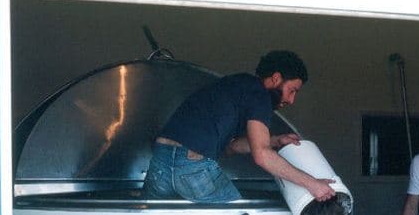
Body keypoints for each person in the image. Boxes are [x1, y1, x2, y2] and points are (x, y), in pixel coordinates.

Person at [142, 50, 336, 203]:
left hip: (161, 161)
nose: (291, 100)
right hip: (192, 165)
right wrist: (313, 184)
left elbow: (232, 146)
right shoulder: (259, 94)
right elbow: (262, 156)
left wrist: (275, 140)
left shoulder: (237, 84)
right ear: (276, 78)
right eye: (292, 90)